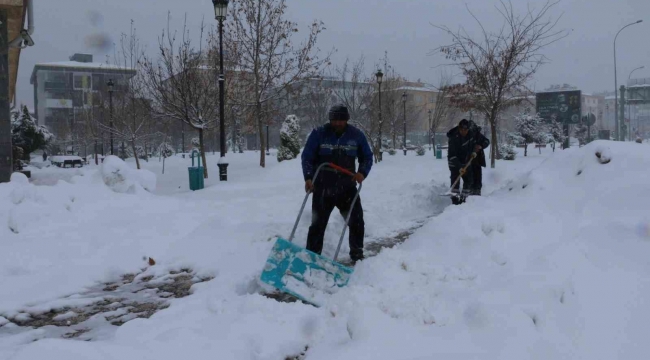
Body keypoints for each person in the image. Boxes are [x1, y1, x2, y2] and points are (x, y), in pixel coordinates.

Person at [301, 104, 373, 263]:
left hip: (346, 188)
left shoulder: (356, 136)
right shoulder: (319, 134)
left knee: (356, 220)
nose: (338, 123)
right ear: (330, 120)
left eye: (342, 120)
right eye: (335, 120)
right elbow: (307, 157)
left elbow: (367, 157)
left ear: (347, 120)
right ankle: (312, 257)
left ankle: (357, 254)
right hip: (322, 187)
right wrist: (308, 177)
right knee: (317, 225)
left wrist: (362, 172)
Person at [446, 119, 477, 196]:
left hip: (466, 161)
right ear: (459, 129)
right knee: (455, 181)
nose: (463, 131)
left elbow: (473, 145)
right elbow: (452, 155)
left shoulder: (471, 135)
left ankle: (465, 198)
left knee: (468, 180)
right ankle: (455, 201)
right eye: (461, 129)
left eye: (465, 130)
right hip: (454, 162)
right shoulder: (453, 137)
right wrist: (459, 167)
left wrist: (473, 152)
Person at [467, 120, 490, 195]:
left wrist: (480, 146)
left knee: (477, 174)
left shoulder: (478, 135)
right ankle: (470, 188)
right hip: (468, 159)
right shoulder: (466, 135)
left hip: (477, 159)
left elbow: (486, 141)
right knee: (469, 174)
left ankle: (477, 189)